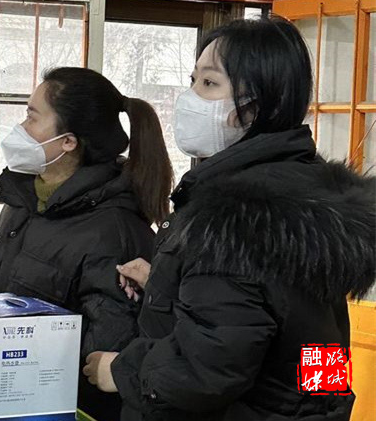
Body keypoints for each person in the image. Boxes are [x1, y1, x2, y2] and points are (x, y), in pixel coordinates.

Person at [82, 16, 376, 421]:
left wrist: (119, 370)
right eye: (193, 80)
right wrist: (169, 285)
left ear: (253, 106)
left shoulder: (238, 215)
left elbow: (208, 369)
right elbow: (308, 341)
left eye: (209, 83)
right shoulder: (306, 190)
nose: (190, 97)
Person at [0, 67, 173, 420]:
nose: (21, 128)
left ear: (68, 141)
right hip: (3, 398)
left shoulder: (112, 230)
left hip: (59, 409)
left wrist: (23, 349)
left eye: (32, 117)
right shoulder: (25, 200)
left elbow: (105, 352)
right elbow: (1, 273)